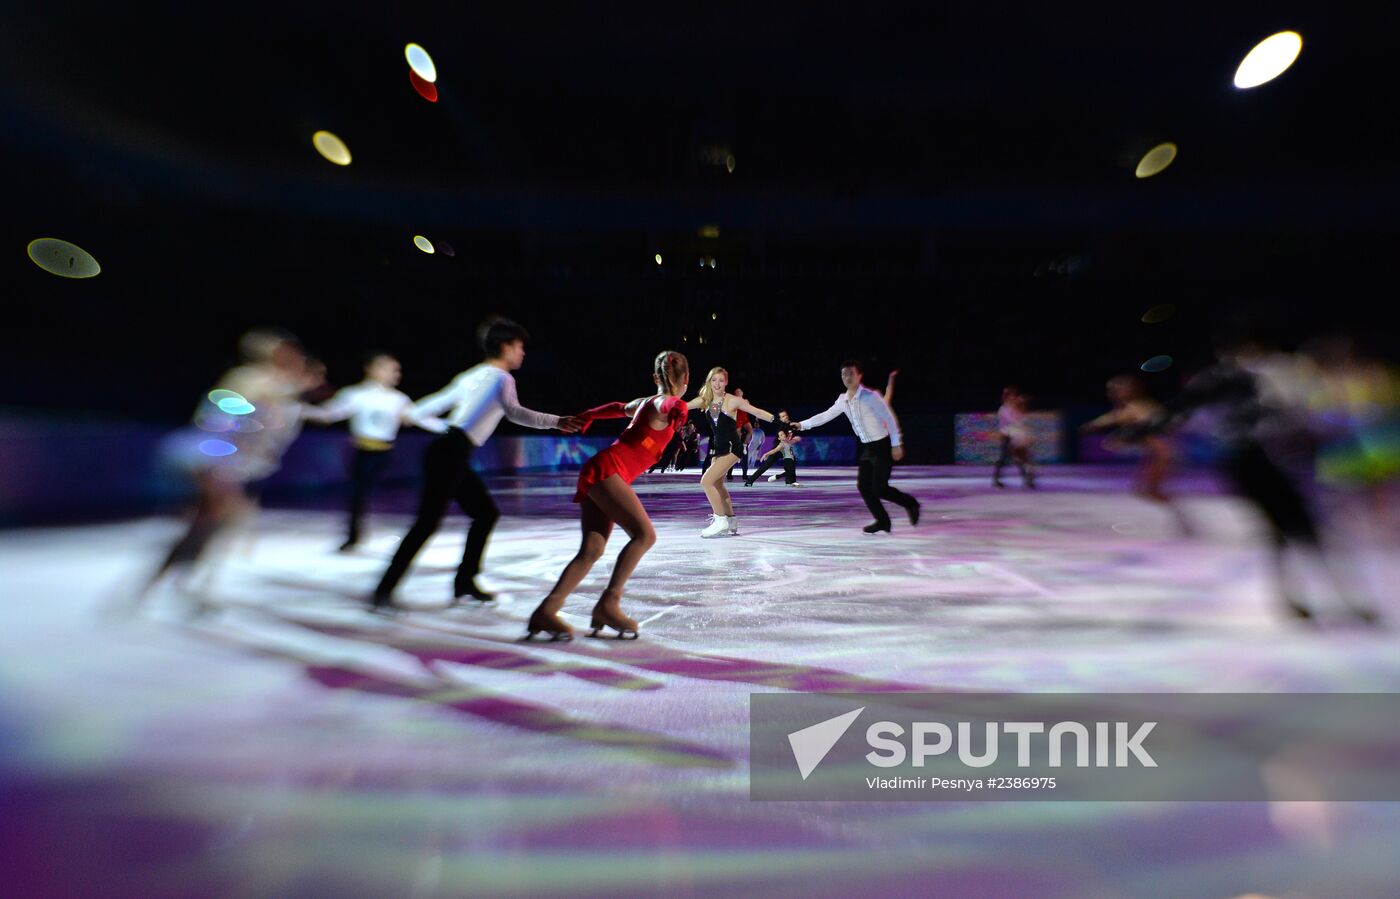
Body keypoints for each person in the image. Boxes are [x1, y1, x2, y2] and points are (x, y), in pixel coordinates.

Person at [371, 318, 580, 611]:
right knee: (428, 523)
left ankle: (464, 581)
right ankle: (384, 590)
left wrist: (444, 428)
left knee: (484, 514)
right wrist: (558, 422)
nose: (522, 353)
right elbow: (516, 413)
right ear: (506, 347)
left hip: (447, 450)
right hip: (452, 452)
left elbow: (419, 411)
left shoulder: (471, 375)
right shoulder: (500, 377)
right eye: (519, 347)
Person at [141, 328, 318, 604]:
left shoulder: (278, 386)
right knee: (219, 518)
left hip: (229, 459)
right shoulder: (249, 379)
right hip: (213, 455)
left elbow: (277, 418)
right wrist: (257, 414)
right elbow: (220, 414)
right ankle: (186, 585)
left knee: (213, 522)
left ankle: (176, 583)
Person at [526, 350, 691, 640]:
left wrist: (587, 415)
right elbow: (673, 406)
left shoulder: (644, 403)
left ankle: (547, 611)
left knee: (592, 549)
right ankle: (609, 603)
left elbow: (617, 406)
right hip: (608, 472)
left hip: (600, 468)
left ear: (655, 377)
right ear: (687, 379)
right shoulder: (668, 404)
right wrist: (679, 417)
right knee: (645, 535)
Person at [304, 352, 437, 550]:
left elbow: (418, 418)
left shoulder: (398, 399)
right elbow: (329, 414)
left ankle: (413, 532)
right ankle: (354, 536)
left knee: (378, 492)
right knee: (358, 493)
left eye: (397, 370)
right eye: (391, 369)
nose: (396, 374)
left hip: (386, 451)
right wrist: (299, 410)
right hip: (364, 452)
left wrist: (450, 426)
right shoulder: (355, 394)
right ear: (373, 369)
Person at [792, 359, 919, 533]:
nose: (847, 377)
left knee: (880, 488)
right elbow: (825, 416)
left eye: (851, 373)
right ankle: (883, 521)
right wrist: (801, 425)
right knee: (864, 486)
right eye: (844, 374)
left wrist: (896, 444)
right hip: (867, 448)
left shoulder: (870, 396)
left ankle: (911, 504)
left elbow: (889, 419)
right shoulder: (842, 400)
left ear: (859, 376)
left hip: (882, 445)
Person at [689, 367, 783, 537]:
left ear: (726, 382)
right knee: (717, 484)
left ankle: (720, 520)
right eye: (714, 380)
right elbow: (683, 406)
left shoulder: (732, 400)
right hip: (719, 449)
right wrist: (663, 404)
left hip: (733, 447)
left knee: (706, 481)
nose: (717, 384)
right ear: (709, 382)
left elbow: (756, 411)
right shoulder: (705, 400)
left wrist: (777, 422)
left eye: (721, 380)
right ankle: (731, 521)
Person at [992, 386, 1036, 488]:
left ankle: (1028, 479)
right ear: (1006, 397)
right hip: (1007, 436)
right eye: (1010, 396)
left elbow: (1022, 421)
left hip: (1017, 436)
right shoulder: (1003, 409)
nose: (1012, 398)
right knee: (1004, 458)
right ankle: (996, 479)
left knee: (1021, 459)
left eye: (1013, 396)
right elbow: (1011, 422)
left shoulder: (1017, 408)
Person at [744, 412, 802, 486]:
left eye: (786, 415)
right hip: (778, 448)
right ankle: (750, 481)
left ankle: (790, 481)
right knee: (765, 466)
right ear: (780, 419)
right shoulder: (782, 426)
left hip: (787, 450)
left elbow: (796, 436)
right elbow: (785, 439)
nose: (785, 417)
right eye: (783, 416)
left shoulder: (793, 426)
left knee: (792, 465)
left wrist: (796, 438)